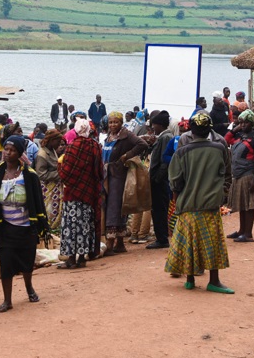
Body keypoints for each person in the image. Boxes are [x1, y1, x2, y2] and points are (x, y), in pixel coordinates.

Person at [165, 113, 234, 294]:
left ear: (191, 131)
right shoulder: (220, 148)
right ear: (209, 129)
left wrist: (178, 199)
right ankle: (214, 281)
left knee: (190, 243)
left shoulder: (181, 152)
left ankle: (189, 279)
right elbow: (227, 174)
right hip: (210, 205)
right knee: (212, 243)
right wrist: (222, 193)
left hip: (188, 205)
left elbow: (175, 181)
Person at [0, 136, 47, 312]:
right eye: (6, 149)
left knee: (27, 262)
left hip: (26, 227)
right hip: (4, 227)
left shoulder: (29, 175)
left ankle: (29, 288)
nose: (7, 153)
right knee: (5, 264)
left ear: (20, 153)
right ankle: (7, 300)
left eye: (12, 150)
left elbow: (38, 201)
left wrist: (40, 224)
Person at [58, 120, 103, 268]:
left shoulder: (72, 147)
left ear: (76, 131)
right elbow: (99, 171)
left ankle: (70, 259)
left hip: (72, 194)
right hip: (89, 193)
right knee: (85, 225)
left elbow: (65, 173)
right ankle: (82, 258)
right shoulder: (95, 146)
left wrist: (60, 166)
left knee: (71, 225)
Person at [102, 111, 147, 256]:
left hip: (118, 176)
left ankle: (110, 244)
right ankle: (120, 243)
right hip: (107, 175)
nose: (112, 125)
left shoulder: (126, 135)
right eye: (110, 122)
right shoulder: (109, 137)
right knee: (114, 206)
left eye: (115, 122)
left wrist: (126, 156)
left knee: (114, 208)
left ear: (121, 123)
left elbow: (142, 144)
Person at [226, 110, 254, 243]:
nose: (242, 125)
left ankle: (248, 234)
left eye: (245, 122)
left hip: (249, 175)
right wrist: (235, 128)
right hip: (238, 174)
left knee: (249, 205)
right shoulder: (240, 135)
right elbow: (226, 140)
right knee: (242, 205)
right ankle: (242, 230)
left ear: (252, 123)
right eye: (241, 122)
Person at [146, 111, 173, 249]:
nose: (153, 127)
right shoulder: (162, 137)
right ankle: (160, 237)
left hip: (160, 180)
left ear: (159, 125)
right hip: (159, 178)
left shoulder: (166, 137)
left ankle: (162, 238)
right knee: (157, 208)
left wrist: (157, 178)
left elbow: (165, 160)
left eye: (154, 125)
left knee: (159, 209)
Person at [35, 129, 65, 233]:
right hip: (47, 189)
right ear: (52, 140)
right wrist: (60, 174)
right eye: (58, 141)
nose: (59, 144)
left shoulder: (52, 151)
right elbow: (41, 174)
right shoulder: (42, 154)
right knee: (50, 212)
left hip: (55, 188)